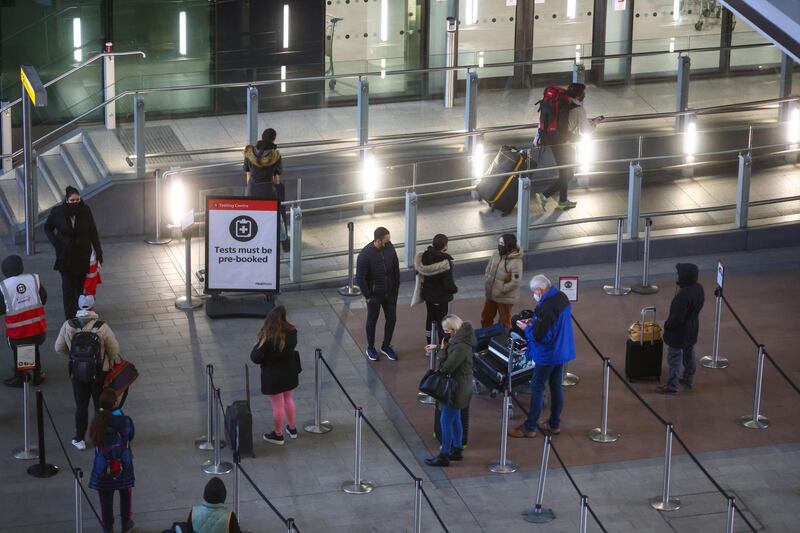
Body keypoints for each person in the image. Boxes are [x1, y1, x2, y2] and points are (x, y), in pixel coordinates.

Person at [509, 275, 576, 438]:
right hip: (561, 350)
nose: (534, 294)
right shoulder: (561, 297)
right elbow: (552, 326)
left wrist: (526, 328)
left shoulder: (546, 307)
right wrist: (535, 323)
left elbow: (541, 336)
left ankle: (530, 427)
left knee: (537, 387)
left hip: (548, 355)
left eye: (534, 291)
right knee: (556, 386)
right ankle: (554, 424)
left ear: (539, 290)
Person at [55, 294, 120, 450]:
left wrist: (74, 356)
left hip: (77, 374)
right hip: (99, 373)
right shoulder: (102, 327)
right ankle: (100, 438)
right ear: (93, 307)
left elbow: (58, 348)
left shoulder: (68, 325)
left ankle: (79, 439)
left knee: (81, 406)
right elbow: (114, 349)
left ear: (79, 307)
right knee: (100, 406)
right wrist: (107, 361)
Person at [534, 82, 604, 211]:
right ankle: (545, 195)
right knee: (569, 174)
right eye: (584, 93)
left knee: (564, 172)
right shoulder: (579, 109)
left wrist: (537, 137)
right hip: (565, 143)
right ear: (579, 95)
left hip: (553, 140)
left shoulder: (559, 103)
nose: (585, 95)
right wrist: (595, 123)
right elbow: (584, 131)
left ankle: (562, 201)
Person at [44, 186, 103, 320]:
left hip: (83, 255)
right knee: (68, 288)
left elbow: (92, 231)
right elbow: (48, 228)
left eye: (77, 199)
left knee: (80, 287)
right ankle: (70, 318)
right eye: (72, 200)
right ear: (67, 200)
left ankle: (79, 313)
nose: (75, 202)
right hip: (66, 256)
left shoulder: (85, 210)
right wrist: (56, 244)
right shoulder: (58, 212)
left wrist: (99, 252)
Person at [424, 314, 474, 467]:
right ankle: (457, 449)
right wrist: (439, 347)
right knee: (456, 419)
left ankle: (444, 455)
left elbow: (446, 367)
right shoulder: (461, 339)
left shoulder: (460, 346)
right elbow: (451, 348)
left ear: (453, 330)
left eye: (446, 330)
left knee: (445, 421)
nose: (445, 333)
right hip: (461, 386)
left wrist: (441, 352)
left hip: (456, 389)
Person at [250, 305, 300, 445]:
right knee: (288, 399)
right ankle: (292, 429)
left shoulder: (268, 338)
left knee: (278, 405)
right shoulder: (292, 331)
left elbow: (255, 357)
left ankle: (278, 435)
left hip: (273, 377)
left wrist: (260, 342)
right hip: (290, 372)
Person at [89, 388, 135, 533]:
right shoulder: (125, 420)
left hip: (103, 468)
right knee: (126, 495)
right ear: (115, 403)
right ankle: (126, 524)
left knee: (105, 500)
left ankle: (108, 528)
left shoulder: (97, 422)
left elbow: (95, 441)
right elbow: (131, 436)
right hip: (123, 465)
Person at [0, 255, 47, 387]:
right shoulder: (33, 279)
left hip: (18, 333)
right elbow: (44, 299)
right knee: (33, 346)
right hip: (38, 330)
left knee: (23, 347)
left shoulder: (4, 287)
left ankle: (22, 377)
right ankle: (37, 375)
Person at [659, 263, 705, 394]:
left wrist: (667, 325)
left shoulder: (683, 295)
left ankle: (672, 386)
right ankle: (688, 379)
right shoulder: (699, 288)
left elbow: (677, 318)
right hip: (692, 328)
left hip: (679, 333)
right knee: (689, 353)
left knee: (674, 358)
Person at [356, 227, 400, 362]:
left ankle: (386, 346)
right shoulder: (365, 255)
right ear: (378, 240)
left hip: (390, 292)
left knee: (391, 319)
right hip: (375, 295)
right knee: (372, 321)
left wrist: (396, 287)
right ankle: (370, 347)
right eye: (386, 240)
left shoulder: (390, 247)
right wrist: (368, 296)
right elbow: (360, 277)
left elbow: (395, 267)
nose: (389, 242)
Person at [243, 128, 290, 252]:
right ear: (274, 139)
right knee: (274, 218)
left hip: (252, 190)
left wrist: (249, 189)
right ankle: (281, 243)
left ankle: (253, 245)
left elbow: (247, 175)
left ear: (262, 137)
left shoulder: (249, 153)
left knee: (252, 218)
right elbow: (276, 177)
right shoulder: (275, 155)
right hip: (268, 190)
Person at [412, 234, 457, 344]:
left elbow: (419, 273)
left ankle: (429, 345)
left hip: (428, 295)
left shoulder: (424, 257)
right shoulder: (445, 263)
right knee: (442, 321)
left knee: (430, 318)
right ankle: (442, 345)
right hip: (441, 297)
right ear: (445, 246)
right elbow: (448, 285)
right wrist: (454, 289)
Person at [481, 233, 523, 330]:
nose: (499, 245)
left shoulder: (516, 262)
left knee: (504, 321)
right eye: (499, 242)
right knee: (486, 316)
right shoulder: (496, 253)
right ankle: (485, 336)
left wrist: (502, 289)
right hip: (491, 293)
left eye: (501, 243)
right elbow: (488, 268)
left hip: (505, 297)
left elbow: (515, 282)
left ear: (508, 245)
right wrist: (487, 278)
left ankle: (502, 340)